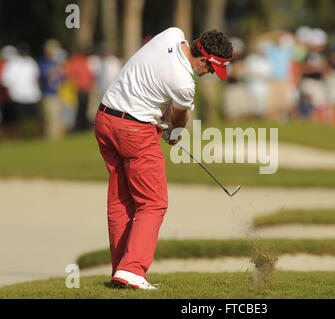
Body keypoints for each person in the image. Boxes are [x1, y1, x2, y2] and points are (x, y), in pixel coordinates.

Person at [94, 27, 233, 290]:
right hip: (134, 130)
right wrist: (174, 135)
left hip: (104, 119)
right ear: (204, 60)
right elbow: (178, 118)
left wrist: (164, 120)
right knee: (153, 203)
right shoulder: (184, 83)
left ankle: (121, 269)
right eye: (213, 69)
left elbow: (158, 88)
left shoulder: (172, 34)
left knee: (120, 200)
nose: (211, 74)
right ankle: (133, 270)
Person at [1, 42, 42, 138]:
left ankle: (34, 136)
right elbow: (6, 80)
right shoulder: (12, 64)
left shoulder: (31, 62)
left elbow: (36, 77)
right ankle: (20, 138)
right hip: (18, 96)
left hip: (32, 95)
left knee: (35, 118)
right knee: (18, 120)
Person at [39, 39, 66, 139]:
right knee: (51, 119)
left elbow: (63, 77)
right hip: (49, 94)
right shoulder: (44, 63)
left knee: (57, 118)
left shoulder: (56, 63)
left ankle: (56, 138)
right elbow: (44, 76)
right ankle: (51, 138)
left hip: (58, 93)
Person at [65, 46, 95, 131]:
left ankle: (83, 126)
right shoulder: (74, 61)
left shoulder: (86, 60)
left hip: (86, 89)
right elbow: (70, 75)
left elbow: (90, 75)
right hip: (78, 89)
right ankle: (78, 127)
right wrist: (77, 85)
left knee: (85, 108)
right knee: (78, 109)